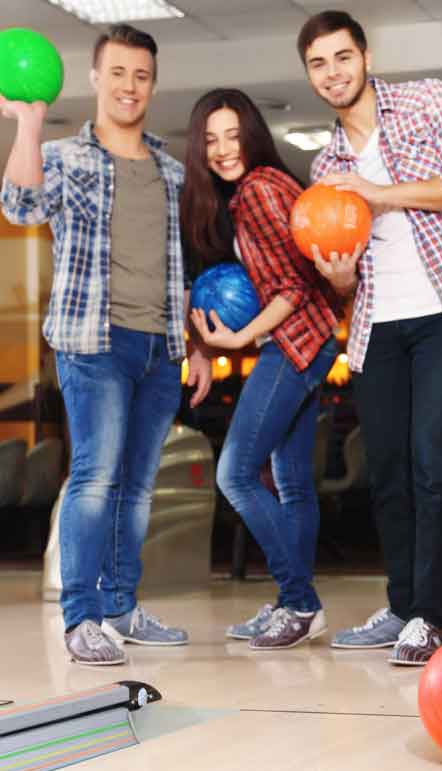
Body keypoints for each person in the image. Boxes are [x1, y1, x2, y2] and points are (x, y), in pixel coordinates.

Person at [0, 23, 212, 667]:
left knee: (139, 486)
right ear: (96, 78)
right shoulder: (66, 156)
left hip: (160, 349)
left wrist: (196, 343)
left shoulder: (173, 171)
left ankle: (121, 605)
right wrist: (29, 125)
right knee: (94, 479)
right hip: (93, 343)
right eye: (118, 73)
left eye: (141, 75)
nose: (130, 86)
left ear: (152, 82)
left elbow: (180, 265)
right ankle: (82, 617)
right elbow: (20, 205)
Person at [296, 10, 442, 666]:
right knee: (385, 469)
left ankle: (430, 617)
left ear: (365, 55)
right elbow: (343, 275)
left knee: (433, 464)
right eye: (319, 64)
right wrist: (337, 275)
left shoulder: (427, 101)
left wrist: (379, 192)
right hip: (375, 325)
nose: (333, 73)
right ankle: (401, 604)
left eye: (342, 57)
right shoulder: (323, 163)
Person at [182, 89, 340, 649]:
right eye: (211, 139)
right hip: (311, 341)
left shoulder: (259, 191)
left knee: (235, 474)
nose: (224, 150)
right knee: (293, 483)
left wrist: (238, 338)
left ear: (252, 134)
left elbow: (294, 286)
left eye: (233, 135)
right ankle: (294, 605)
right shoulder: (258, 190)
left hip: (294, 343)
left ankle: (298, 600)